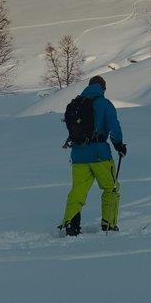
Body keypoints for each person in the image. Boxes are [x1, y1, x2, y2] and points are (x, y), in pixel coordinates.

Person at [61, 75, 127, 236]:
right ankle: (109, 224)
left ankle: (71, 224)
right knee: (111, 187)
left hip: (78, 155)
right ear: (103, 88)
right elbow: (114, 127)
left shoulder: (77, 104)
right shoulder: (105, 104)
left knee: (78, 190)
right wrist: (119, 145)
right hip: (100, 155)